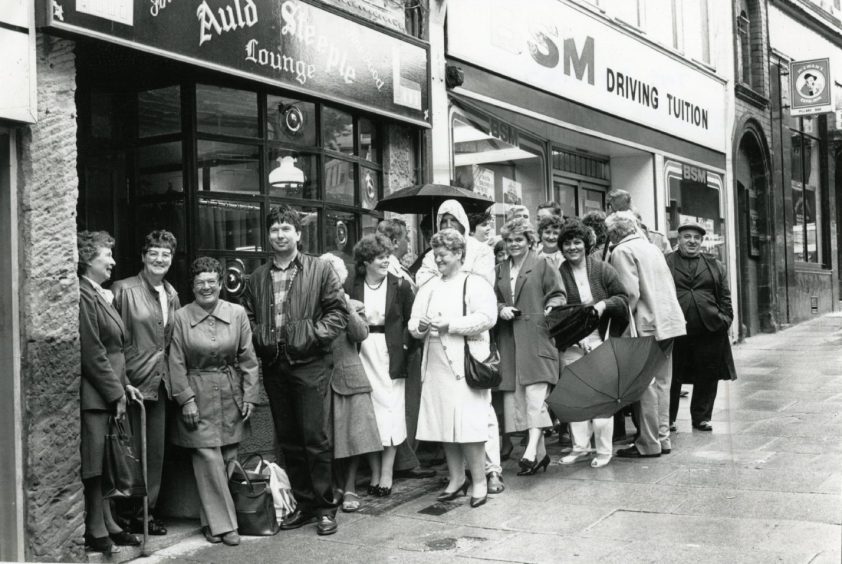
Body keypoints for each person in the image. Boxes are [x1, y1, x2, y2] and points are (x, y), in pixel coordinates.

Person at [241, 205, 347, 536]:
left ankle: (326, 507)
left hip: (311, 363)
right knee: (289, 439)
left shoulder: (319, 269)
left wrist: (312, 336)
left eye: (286, 228)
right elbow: (249, 317)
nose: (280, 234)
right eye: (274, 229)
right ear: (268, 235)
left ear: (298, 234)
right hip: (275, 365)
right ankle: (303, 504)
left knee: (315, 438)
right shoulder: (257, 277)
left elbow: (338, 312)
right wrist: (261, 337)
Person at [414, 199, 503, 493]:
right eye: (436, 255)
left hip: (465, 362)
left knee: (470, 427)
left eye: (444, 255)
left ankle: (479, 480)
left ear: (459, 254)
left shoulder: (474, 283)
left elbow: (487, 317)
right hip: (436, 362)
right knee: (443, 425)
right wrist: (421, 328)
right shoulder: (429, 285)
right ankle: (456, 479)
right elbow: (413, 323)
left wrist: (450, 325)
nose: (438, 260)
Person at [167, 257, 258, 546]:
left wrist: (250, 395)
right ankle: (226, 527)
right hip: (198, 394)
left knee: (229, 456)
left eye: (211, 282)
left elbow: (248, 358)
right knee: (207, 458)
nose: (206, 287)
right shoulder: (180, 317)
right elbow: (175, 362)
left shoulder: (237, 313)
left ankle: (210, 522)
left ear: (220, 284)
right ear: (192, 286)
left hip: (231, 392)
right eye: (199, 282)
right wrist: (186, 400)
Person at [78, 230, 143, 554]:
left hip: (110, 390)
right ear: (89, 259)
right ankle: (95, 526)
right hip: (96, 395)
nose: (113, 262)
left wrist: (125, 383)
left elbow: (115, 349)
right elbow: (92, 351)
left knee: (106, 461)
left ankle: (108, 521)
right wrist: (114, 391)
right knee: (95, 463)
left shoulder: (99, 294)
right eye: (108, 256)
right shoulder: (84, 295)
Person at [111, 230, 180, 536]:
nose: (159, 258)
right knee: (127, 451)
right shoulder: (123, 290)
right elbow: (112, 341)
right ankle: (122, 513)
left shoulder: (172, 294)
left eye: (165, 254)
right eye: (153, 252)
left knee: (154, 453)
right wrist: (121, 381)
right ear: (143, 256)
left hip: (160, 384)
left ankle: (145, 513)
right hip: (130, 383)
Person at [606, 211, 686, 458]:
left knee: (646, 386)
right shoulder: (651, 247)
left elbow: (629, 294)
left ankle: (648, 443)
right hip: (668, 322)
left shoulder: (621, 252)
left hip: (645, 325)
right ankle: (663, 438)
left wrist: (614, 325)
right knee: (663, 383)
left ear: (615, 232)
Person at [494, 218, 566, 476]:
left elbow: (558, 293)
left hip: (537, 336)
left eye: (519, 240)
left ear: (529, 241)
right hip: (511, 342)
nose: (513, 244)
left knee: (537, 399)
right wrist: (500, 309)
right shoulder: (500, 269)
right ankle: (540, 456)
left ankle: (529, 451)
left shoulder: (542, 263)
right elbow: (492, 299)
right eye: (509, 240)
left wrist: (552, 306)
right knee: (521, 402)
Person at [555, 220, 628, 468]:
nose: (572, 247)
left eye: (577, 242)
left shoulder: (603, 270)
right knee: (576, 398)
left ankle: (604, 451)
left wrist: (603, 304)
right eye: (567, 243)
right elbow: (557, 312)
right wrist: (576, 337)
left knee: (601, 398)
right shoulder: (558, 272)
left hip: (601, 339)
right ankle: (580, 448)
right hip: (571, 343)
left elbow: (622, 299)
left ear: (586, 245)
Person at [347, 234, 415, 497]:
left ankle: (387, 472)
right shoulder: (352, 285)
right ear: (365, 262)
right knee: (369, 414)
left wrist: (406, 347)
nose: (386, 260)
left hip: (391, 354)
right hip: (361, 352)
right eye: (379, 257)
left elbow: (411, 321)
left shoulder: (400, 285)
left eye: (388, 255)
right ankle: (375, 471)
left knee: (391, 411)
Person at [319, 254, 382, 513]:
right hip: (322, 380)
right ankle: (333, 486)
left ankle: (350, 486)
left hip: (350, 377)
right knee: (328, 438)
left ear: (341, 279)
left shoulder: (354, 304)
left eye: (334, 277)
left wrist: (345, 304)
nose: (330, 282)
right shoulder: (313, 307)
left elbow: (360, 334)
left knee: (354, 437)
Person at [376, 218, 436, 481]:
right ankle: (405, 458)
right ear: (396, 241)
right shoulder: (390, 271)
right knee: (406, 403)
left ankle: (405, 455)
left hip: (408, 342)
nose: (410, 244)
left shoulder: (398, 268)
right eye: (407, 239)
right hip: (401, 345)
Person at [667, 222, 737, 432]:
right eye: (687, 237)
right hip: (675, 329)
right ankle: (668, 419)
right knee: (672, 375)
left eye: (697, 238)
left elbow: (725, 295)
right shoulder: (665, 262)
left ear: (701, 242)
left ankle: (702, 418)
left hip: (709, 329)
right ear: (678, 240)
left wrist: (725, 319)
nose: (692, 241)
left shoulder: (714, 264)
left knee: (707, 374)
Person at [416, 200, 495, 288]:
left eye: (453, 220)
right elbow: (422, 282)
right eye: (444, 221)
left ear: (462, 222)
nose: (448, 225)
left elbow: (483, 284)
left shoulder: (481, 251)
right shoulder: (431, 255)